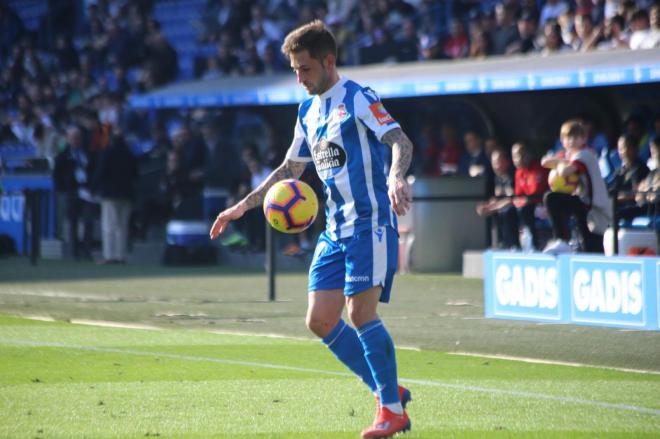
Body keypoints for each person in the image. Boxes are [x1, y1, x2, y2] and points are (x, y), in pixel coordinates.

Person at [209, 20, 414, 439]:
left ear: (329, 61)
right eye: (294, 71)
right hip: (334, 231)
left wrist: (396, 177)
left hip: (369, 224)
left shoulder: (357, 97)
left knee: (359, 314)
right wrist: (242, 207)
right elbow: (291, 169)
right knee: (320, 320)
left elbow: (400, 141)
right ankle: (388, 389)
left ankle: (391, 410)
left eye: (304, 69)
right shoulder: (307, 111)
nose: (298, 78)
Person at [542, 119, 611, 254]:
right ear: (562, 140)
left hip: (594, 207)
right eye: (568, 137)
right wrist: (562, 160)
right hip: (582, 204)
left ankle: (563, 242)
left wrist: (560, 162)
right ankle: (561, 240)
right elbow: (544, 162)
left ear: (584, 139)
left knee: (593, 248)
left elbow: (564, 171)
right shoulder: (569, 155)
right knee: (551, 198)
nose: (572, 141)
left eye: (576, 137)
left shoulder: (585, 154)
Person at [92, 134, 138, 264]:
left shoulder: (108, 153)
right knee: (122, 226)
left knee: (109, 225)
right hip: (127, 194)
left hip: (110, 194)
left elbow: (100, 172)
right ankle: (121, 255)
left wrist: (93, 188)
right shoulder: (129, 154)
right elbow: (136, 174)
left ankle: (109, 255)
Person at [475, 149, 519, 249]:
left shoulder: (512, 176)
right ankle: (497, 244)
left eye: (498, 162)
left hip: (516, 211)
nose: (495, 166)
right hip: (500, 210)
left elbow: (511, 200)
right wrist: (486, 207)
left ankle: (513, 245)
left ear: (507, 161)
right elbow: (496, 199)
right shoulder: (497, 178)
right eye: (493, 162)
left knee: (507, 211)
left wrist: (492, 208)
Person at [511, 142, 549, 250]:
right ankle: (514, 246)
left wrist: (520, 201)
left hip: (543, 205)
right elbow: (518, 196)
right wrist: (494, 206)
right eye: (514, 156)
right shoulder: (519, 172)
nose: (517, 159)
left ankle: (535, 245)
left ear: (529, 154)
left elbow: (534, 195)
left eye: (520, 155)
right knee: (509, 211)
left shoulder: (538, 168)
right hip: (529, 205)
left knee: (525, 209)